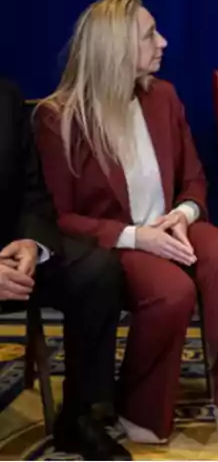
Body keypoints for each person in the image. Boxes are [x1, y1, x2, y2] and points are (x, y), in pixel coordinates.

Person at [34, 0, 218, 448]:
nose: (163, 42)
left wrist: (185, 215)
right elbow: (59, 217)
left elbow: (194, 180)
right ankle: (138, 405)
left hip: (170, 226)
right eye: (150, 35)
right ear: (115, 48)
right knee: (172, 289)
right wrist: (137, 237)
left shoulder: (163, 97)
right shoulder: (59, 118)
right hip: (115, 244)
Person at [0, 78, 129, 459]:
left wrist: (30, 243)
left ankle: (80, 416)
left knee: (96, 269)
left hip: (12, 254)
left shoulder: (5, 95)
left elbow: (32, 190)